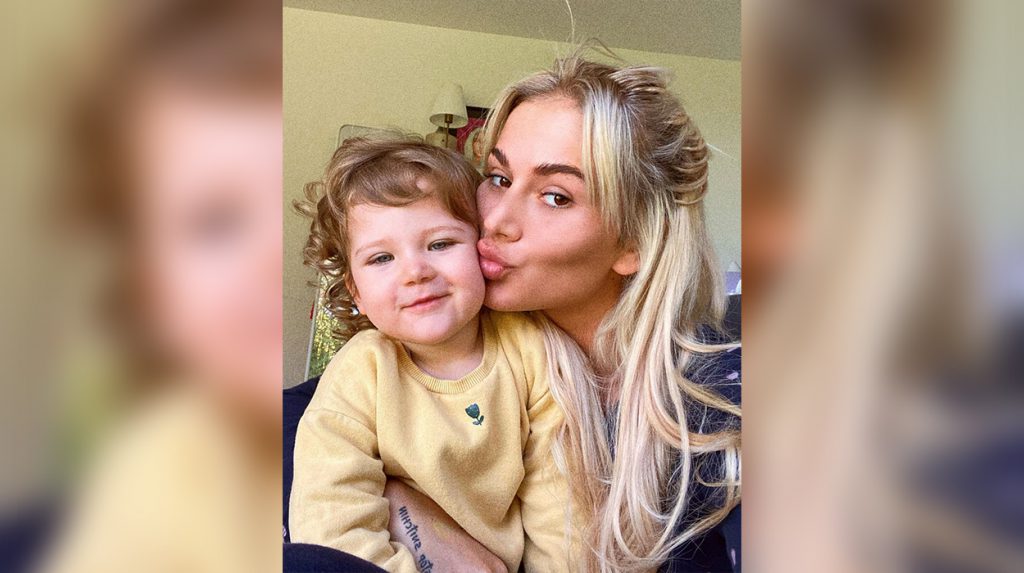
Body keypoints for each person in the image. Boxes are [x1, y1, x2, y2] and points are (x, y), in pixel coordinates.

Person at [387, 50, 742, 572]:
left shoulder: (726, 405)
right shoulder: (454, 343)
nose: (497, 220)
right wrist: (394, 494)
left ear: (634, 243)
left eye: (555, 197)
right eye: (499, 178)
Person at [290, 138, 569, 572]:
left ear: (483, 250)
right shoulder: (361, 373)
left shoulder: (529, 349)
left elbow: (560, 504)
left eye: (440, 244)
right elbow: (331, 517)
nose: (415, 272)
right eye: (381, 258)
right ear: (356, 291)